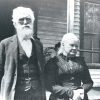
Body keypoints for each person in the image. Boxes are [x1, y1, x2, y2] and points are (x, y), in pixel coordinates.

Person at [0, 6, 46, 100]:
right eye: (21, 20)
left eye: (28, 19)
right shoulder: (5, 44)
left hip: (37, 93)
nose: (25, 22)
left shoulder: (38, 45)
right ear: (15, 24)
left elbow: (42, 68)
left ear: (32, 22)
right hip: (15, 92)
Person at [45, 33, 93, 100]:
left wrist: (81, 91)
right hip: (59, 97)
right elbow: (49, 85)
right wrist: (71, 93)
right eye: (71, 45)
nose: (74, 48)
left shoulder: (81, 61)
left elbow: (88, 82)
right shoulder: (54, 62)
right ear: (63, 44)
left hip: (79, 97)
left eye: (76, 46)